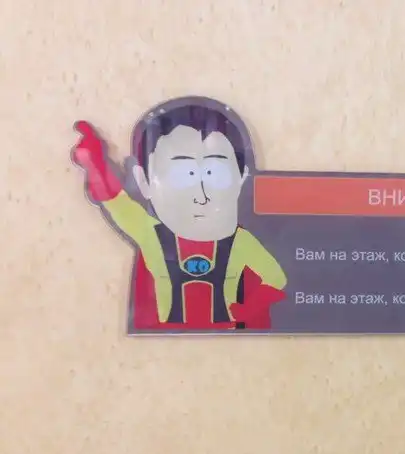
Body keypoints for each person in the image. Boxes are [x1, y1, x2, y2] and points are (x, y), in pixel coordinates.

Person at [71, 97, 287, 333]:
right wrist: (96, 166)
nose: (201, 196)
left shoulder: (241, 242)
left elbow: (275, 278)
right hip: (164, 343)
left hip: (227, 340)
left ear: (241, 178)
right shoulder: (151, 234)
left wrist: (248, 310)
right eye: (183, 176)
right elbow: (117, 203)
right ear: (144, 181)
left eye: (215, 174)